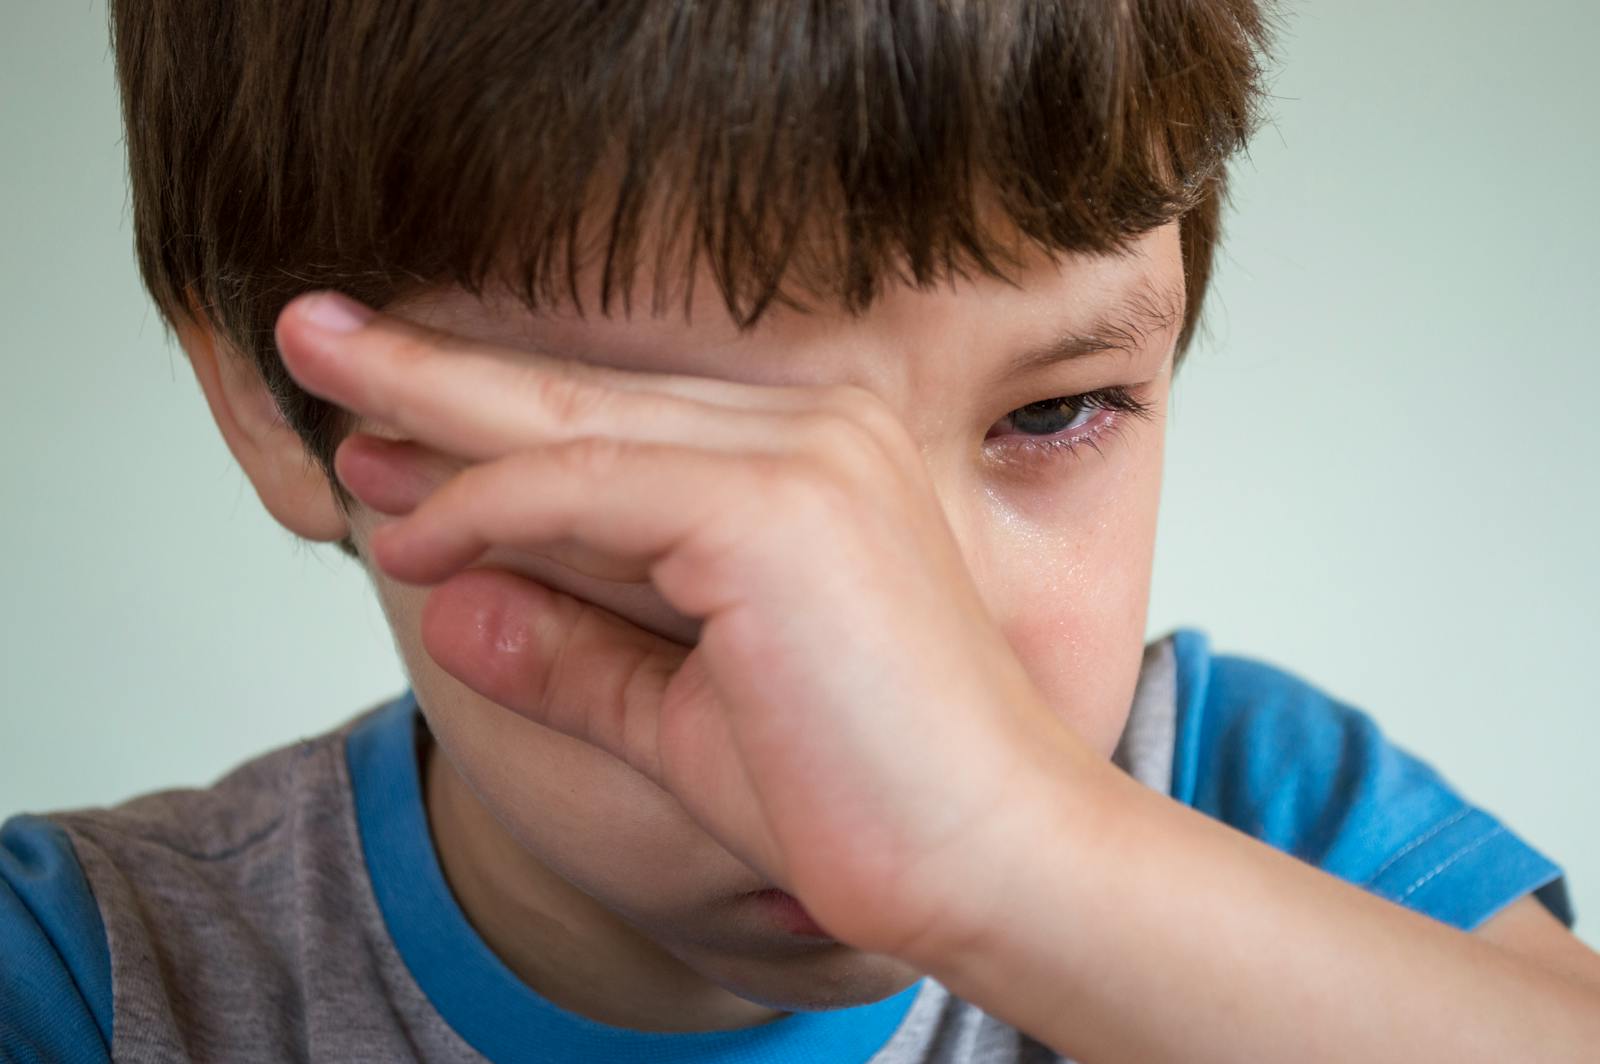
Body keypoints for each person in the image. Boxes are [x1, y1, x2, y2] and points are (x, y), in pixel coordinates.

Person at [4, 1, 1598, 1060]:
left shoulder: (1264, 825)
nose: (893, 640)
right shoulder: (95, 977)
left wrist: (1016, 865)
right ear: (270, 407)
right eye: (679, 476)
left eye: (1052, 415)